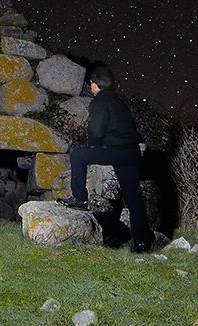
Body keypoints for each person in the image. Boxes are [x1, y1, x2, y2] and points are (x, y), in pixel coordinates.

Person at [58, 62, 152, 253]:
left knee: (79, 155)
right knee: (133, 199)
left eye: (91, 84)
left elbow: (96, 129)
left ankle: (79, 198)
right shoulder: (118, 101)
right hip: (131, 153)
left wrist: (94, 145)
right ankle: (142, 244)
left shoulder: (100, 101)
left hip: (116, 151)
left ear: (94, 84)